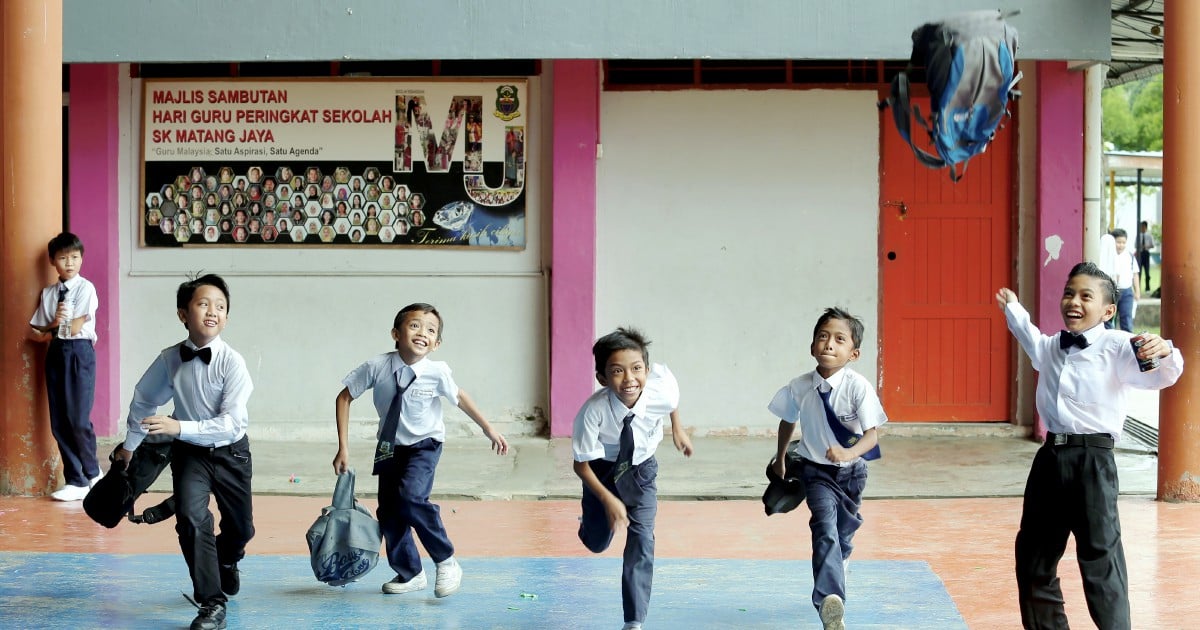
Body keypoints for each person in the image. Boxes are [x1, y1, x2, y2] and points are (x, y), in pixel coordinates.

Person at [996, 262, 1183, 630]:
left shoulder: (1118, 346)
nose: (1073, 301)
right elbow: (1028, 335)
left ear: (1108, 310)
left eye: (1086, 296)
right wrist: (1013, 307)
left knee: (1100, 558)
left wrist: (1165, 351)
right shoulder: (1051, 347)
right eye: (1069, 293)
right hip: (1050, 459)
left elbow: (1164, 374)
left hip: (1093, 461)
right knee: (1033, 557)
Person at [332, 303, 508, 599]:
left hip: (425, 445)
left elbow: (460, 397)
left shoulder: (436, 371)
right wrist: (343, 447)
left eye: (430, 330)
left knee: (412, 498)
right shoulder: (377, 366)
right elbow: (345, 397)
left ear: (437, 343)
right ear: (395, 334)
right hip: (389, 447)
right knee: (389, 513)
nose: (422, 333)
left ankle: (446, 559)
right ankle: (410, 572)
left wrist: (487, 427)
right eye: (414, 325)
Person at [113, 274, 254, 630]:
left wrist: (179, 426)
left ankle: (226, 559)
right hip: (190, 454)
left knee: (241, 529)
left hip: (231, 452)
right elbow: (143, 399)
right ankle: (211, 603)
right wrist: (129, 448)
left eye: (221, 307)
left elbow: (232, 424)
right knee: (191, 520)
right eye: (203, 304)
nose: (213, 311)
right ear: (183, 313)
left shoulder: (232, 363)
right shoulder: (169, 359)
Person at [766, 307, 886, 630]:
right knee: (824, 529)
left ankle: (840, 563)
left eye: (839, 339)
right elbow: (787, 421)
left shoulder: (858, 388)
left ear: (853, 352)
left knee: (844, 534)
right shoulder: (800, 387)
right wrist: (779, 458)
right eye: (823, 337)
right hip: (816, 472)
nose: (829, 344)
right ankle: (830, 601)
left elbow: (872, 436)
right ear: (812, 346)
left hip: (852, 473)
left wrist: (848, 453)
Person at [571, 327, 693, 630]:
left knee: (642, 538)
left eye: (637, 369)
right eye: (617, 371)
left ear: (647, 371)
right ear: (602, 377)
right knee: (597, 543)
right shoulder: (592, 412)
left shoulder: (658, 390)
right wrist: (609, 499)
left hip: (641, 469)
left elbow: (672, 398)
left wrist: (678, 428)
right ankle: (589, 526)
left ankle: (634, 621)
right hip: (602, 470)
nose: (629, 379)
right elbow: (580, 465)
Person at [27, 232, 101, 501]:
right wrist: (53, 326)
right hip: (56, 353)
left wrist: (53, 327)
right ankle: (76, 480)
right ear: (52, 261)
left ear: (81, 258)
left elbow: (77, 326)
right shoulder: (48, 294)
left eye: (75, 257)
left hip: (79, 352)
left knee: (78, 418)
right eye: (63, 258)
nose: (70, 263)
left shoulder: (86, 288)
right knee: (59, 420)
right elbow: (37, 334)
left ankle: (94, 474)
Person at [1109, 229, 1140, 332]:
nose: (1121, 245)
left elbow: (1135, 274)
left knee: (1126, 318)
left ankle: (1128, 343)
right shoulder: (1109, 256)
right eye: (1118, 242)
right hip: (1111, 292)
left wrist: (1137, 291)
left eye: (1123, 243)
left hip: (1126, 292)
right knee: (1108, 319)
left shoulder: (1130, 256)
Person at [1136, 220, 1155, 293]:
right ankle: (1138, 288)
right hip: (1140, 254)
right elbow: (1135, 245)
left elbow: (1152, 245)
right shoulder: (1138, 235)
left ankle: (1147, 288)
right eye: (1141, 227)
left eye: (1143, 227)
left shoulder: (1149, 235)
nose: (1142, 228)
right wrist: (1140, 246)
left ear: (1146, 227)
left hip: (1146, 253)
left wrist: (1146, 246)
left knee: (1147, 272)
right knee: (1139, 271)